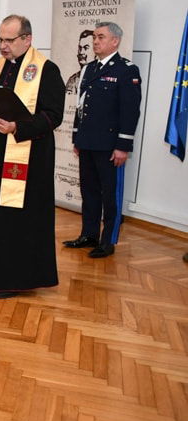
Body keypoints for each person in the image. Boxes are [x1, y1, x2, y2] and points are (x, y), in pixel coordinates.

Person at [0, 14, 65, 297]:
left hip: (28, 159)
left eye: (9, 40)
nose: (3, 46)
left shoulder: (46, 70)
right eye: (0, 39)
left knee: (16, 219)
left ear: (27, 39)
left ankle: (13, 279)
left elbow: (54, 116)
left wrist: (18, 126)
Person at [63, 21, 142, 258]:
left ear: (115, 41)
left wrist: (122, 146)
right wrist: (77, 137)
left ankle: (108, 241)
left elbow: (130, 112)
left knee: (110, 195)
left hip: (110, 146)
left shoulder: (127, 70)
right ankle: (89, 234)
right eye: (95, 37)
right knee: (89, 192)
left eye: (101, 37)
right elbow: (80, 107)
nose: (96, 41)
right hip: (87, 142)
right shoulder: (89, 69)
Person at [64, 29, 95, 95]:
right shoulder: (73, 80)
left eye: (86, 48)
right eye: (80, 48)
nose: (81, 52)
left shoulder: (103, 77)